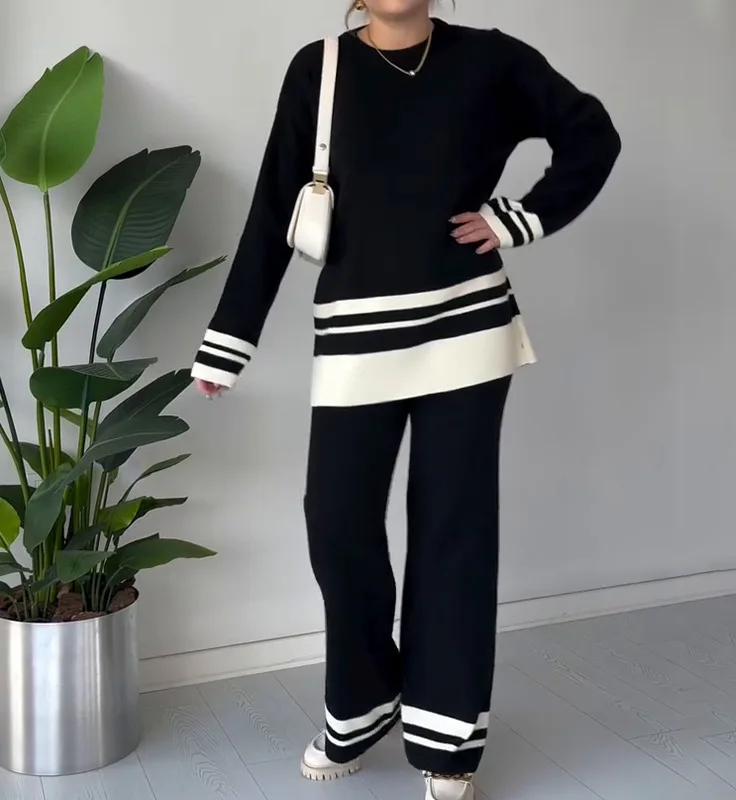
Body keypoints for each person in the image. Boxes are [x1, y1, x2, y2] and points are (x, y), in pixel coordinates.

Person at [192, 1, 620, 797]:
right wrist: (229, 340)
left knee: (454, 530)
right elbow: (274, 204)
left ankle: (447, 740)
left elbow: (592, 133)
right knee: (336, 520)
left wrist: (518, 219)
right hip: (356, 337)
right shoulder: (319, 68)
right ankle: (363, 702)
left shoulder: (491, 59)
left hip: (468, 329)